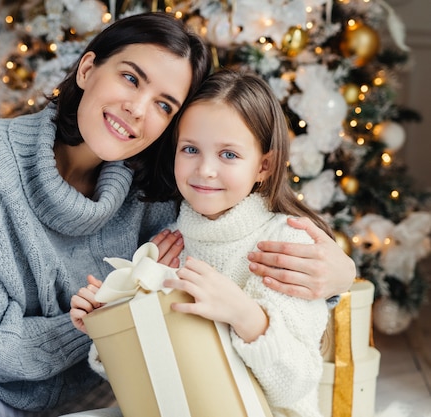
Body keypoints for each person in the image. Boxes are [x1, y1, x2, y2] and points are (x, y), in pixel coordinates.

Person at [0, 12, 352, 417]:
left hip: (92, 400)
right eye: (130, 78)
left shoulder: (166, 187)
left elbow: (238, 234)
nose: (137, 109)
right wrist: (86, 325)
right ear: (87, 69)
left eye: (164, 105)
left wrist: (339, 275)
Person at [71, 69, 333, 416]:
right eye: (191, 149)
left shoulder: (285, 243)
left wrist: (245, 315)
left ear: (264, 166)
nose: (205, 169)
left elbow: (295, 384)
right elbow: (148, 379)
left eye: (228, 155)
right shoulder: (168, 246)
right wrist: (109, 327)